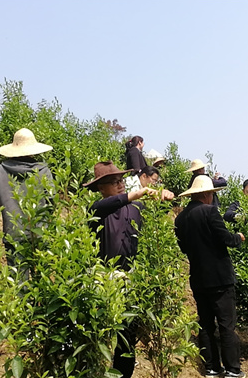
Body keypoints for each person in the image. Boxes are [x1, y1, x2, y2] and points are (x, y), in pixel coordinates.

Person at [84, 160, 172, 378]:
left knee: (126, 335)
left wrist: (165, 199)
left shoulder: (136, 208)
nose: (120, 184)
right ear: (101, 188)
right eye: (114, 182)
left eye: (121, 180)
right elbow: (106, 205)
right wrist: (138, 193)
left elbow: (154, 218)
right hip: (104, 278)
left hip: (130, 279)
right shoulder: (96, 209)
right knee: (99, 335)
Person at [174, 175, 245, 378]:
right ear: (206, 194)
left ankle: (212, 368)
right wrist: (238, 238)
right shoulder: (210, 212)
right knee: (226, 325)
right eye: (212, 194)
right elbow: (225, 238)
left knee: (205, 324)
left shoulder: (180, 218)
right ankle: (233, 369)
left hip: (198, 277)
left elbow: (183, 248)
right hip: (220, 278)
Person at [0, 128, 53, 276]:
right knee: (41, 283)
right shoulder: (43, 171)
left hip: (13, 233)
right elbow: (51, 202)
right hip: (39, 233)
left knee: (18, 284)